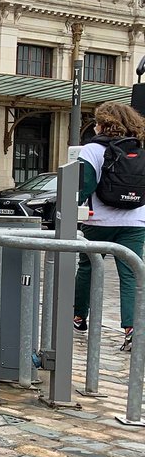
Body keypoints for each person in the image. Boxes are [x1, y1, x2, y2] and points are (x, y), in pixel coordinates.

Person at [73, 101, 145, 351]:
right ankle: (132, 328)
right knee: (131, 274)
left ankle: (79, 316)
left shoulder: (92, 149)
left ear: (103, 124)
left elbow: (84, 186)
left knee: (88, 267)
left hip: (99, 220)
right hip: (135, 222)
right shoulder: (140, 148)